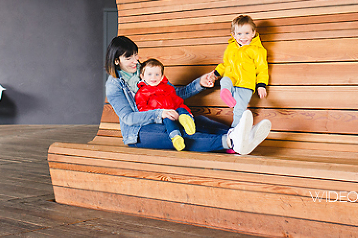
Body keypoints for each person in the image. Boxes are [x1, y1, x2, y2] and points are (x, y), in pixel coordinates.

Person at [105, 35, 270, 154]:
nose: (135, 61)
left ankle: (242, 133)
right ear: (116, 61)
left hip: (167, 117)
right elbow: (128, 118)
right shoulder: (114, 86)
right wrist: (160, 113)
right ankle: (231, 141)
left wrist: (199, 84)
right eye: (129, 58)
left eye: (135, 55)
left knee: (198, 121)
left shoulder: (147, 71)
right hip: (139, 132)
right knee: (179, 135)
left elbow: (174, 95)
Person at [213, 15, 269, 127]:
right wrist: (215, 73)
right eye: (239, 34)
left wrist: (261, 85)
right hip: (232, 79)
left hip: (245, 85)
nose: (243, 37)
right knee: (225, 80)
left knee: (239, 109)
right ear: (234, 35)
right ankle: (226, 93)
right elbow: (226, 63)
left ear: (253, 33)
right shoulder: (231, 47)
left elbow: (262, 68)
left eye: (247, 33)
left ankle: (235, 130)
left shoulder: (257, 50)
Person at [135, 58, 196, 151]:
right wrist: (160, 113)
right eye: (149, 74)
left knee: (182, 109)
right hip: (161, 117)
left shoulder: (168, 88)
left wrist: (187, 111)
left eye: (157, 74)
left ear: (162, 76)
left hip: (175, 112)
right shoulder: (142, 93)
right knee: (169, 118)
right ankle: (176, 137)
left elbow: (178, 102)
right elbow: (142, 109)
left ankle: (187, 120)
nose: (153, 77)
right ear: (142, 76)